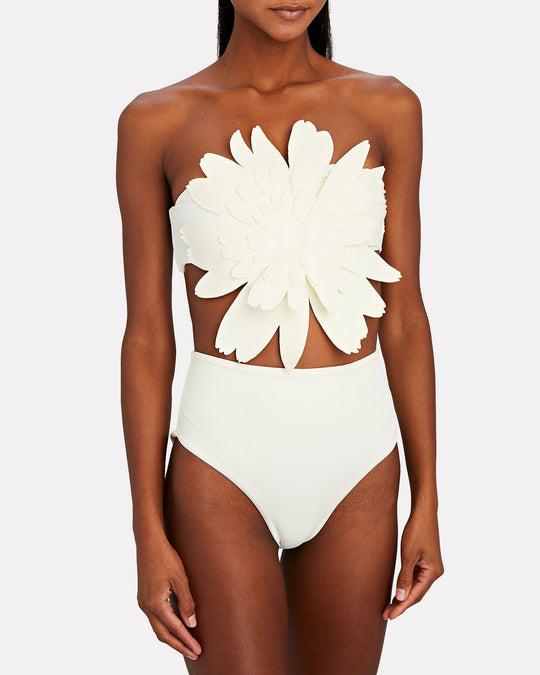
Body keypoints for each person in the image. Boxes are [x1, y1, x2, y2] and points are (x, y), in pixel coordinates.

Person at [116, 1, 444, 672]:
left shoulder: (388, 107)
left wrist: (428, 497)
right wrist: (146, 527)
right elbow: (148, 338)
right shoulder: (156, 121)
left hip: (359, 464)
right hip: (221, 462)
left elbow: (406, 317)